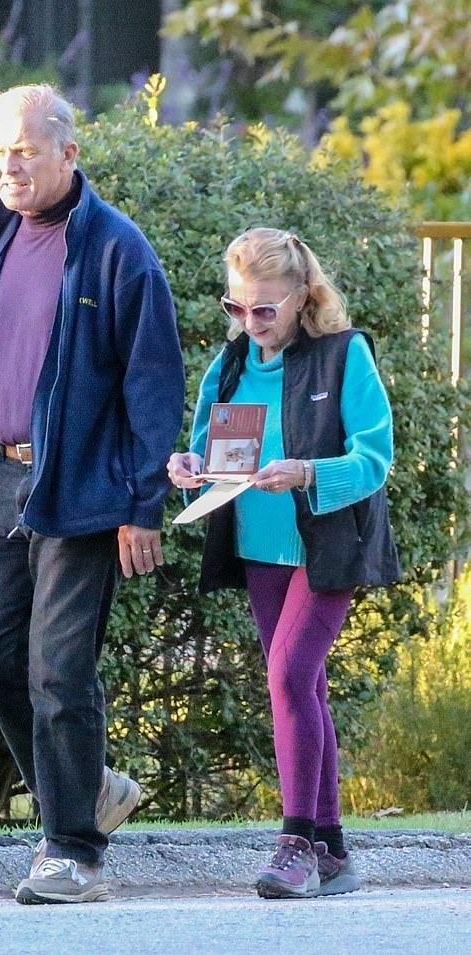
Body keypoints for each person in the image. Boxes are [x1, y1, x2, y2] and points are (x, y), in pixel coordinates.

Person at [0, 83, 185, 904]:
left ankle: (73, 850)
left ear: (68, 153)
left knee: (60, 669)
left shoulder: (117, 248)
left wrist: (142, 503)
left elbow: (152, 383)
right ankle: (90, 787)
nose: (9, 166)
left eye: (25, 151)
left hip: (84, 483)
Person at [168, 227, 399, 900]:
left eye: (265, 308)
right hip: (258, 548)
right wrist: (187, 467)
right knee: (304, 688)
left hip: (328, 548)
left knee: (289, 675)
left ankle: (295, 843)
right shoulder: (229, 364)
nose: (250, 321)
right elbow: (209, 455)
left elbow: (375, 459)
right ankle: (333, 851)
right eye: (236, 306)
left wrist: (307, 472)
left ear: (303, 296)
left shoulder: (344, 355)